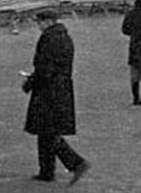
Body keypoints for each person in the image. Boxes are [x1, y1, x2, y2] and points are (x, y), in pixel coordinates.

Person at [22, 9, 90, 183]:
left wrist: (30, 83)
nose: (38, 25)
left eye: (39, 22)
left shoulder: (48, 38)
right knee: (47, 130)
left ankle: (75, 163)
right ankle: (47, 171)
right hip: (61, 87)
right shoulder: (64, 37)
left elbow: (44, 68)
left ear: (47, 21)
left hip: (48, 89)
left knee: (46, 131)